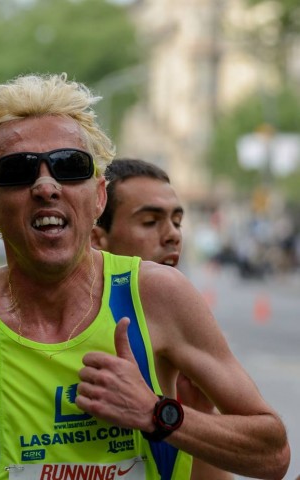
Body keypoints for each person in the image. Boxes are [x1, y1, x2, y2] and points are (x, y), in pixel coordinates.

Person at [0, 73, 290, 480]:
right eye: (17, 171)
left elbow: (272, 451)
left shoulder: (157, 296)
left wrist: (157, 414)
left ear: (98, 196)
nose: (46, 185)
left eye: (69, 166)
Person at [92, 158, 233, 480]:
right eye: (150, 221)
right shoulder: (61, 328)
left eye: (177, 221)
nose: (172, 236)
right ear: (97, 238)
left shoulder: (183, 329)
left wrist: (198, 413)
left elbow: (270, 454)